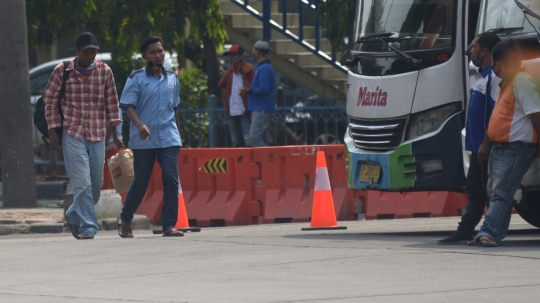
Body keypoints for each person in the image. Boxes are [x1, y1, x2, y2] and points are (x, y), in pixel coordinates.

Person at [44, 32, 123, 240]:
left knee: (95, 185)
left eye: (93, 52)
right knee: (82, 183)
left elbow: (112, 104)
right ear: (77, 51)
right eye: (86, 52)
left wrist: (115, 132)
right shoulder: (62, 71)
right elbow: (50, 100)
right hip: (72, 132)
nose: (90, 56)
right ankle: (89, 226)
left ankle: (72, 214)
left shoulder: (104, 71)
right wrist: (53, 129)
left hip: (97, 134)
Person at [469, 41, 540, 247]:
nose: (492, 66)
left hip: (515, 149)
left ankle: (487, 233)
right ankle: (490, 233)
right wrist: (487, 143)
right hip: (501, 149)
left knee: (501, 193)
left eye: (492, 62)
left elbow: (536, 115)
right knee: (495, 193)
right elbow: (498, 117)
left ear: (498, 64)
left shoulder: (522, 81)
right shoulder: (507, 82)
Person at [437, 32, 501, 245]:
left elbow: (496, 113)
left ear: (485, 51)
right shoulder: (479, 76)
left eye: (474, 47)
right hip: (476, 146)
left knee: (490, 192)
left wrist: (487, 143)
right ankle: (466, 230)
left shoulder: (493, 77)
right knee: (475, 190)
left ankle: (487, 231)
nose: (471, 51)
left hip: (487, 147)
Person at [117, 36, 184, 238]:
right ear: (145, 55)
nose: (158, 55)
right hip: (143, 140)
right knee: (141, 182)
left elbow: (175, 108)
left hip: (169, 138)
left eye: (160, 51)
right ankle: (126, 217)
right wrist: (139, 125)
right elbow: (128, 106)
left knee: (171, 180)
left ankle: (168, 225)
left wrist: (178, 136)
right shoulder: (136, 78)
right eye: (153, 52)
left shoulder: (172, 78)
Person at [218, 45, 255, 147]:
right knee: (236, 142)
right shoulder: (230, 72)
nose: (230, 58)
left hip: (244, 112)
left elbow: (255, 87)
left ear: (241, 56)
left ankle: (249, 162)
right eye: (229, 55)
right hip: (232, 112)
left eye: (233, 55)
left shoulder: (249, 70)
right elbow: (221, 85)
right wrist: (227, 92)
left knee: (248, 141)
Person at [241, 40, 276, 147]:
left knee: (254, 137)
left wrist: (250, 90)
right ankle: (267, 160)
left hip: (261, 108)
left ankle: (268, 159)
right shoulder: (263, 67)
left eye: (254, 50)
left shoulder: (264, 68)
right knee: (263, 138)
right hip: (261, 107)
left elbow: (263, 88)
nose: (253, 52)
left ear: (259, 52)